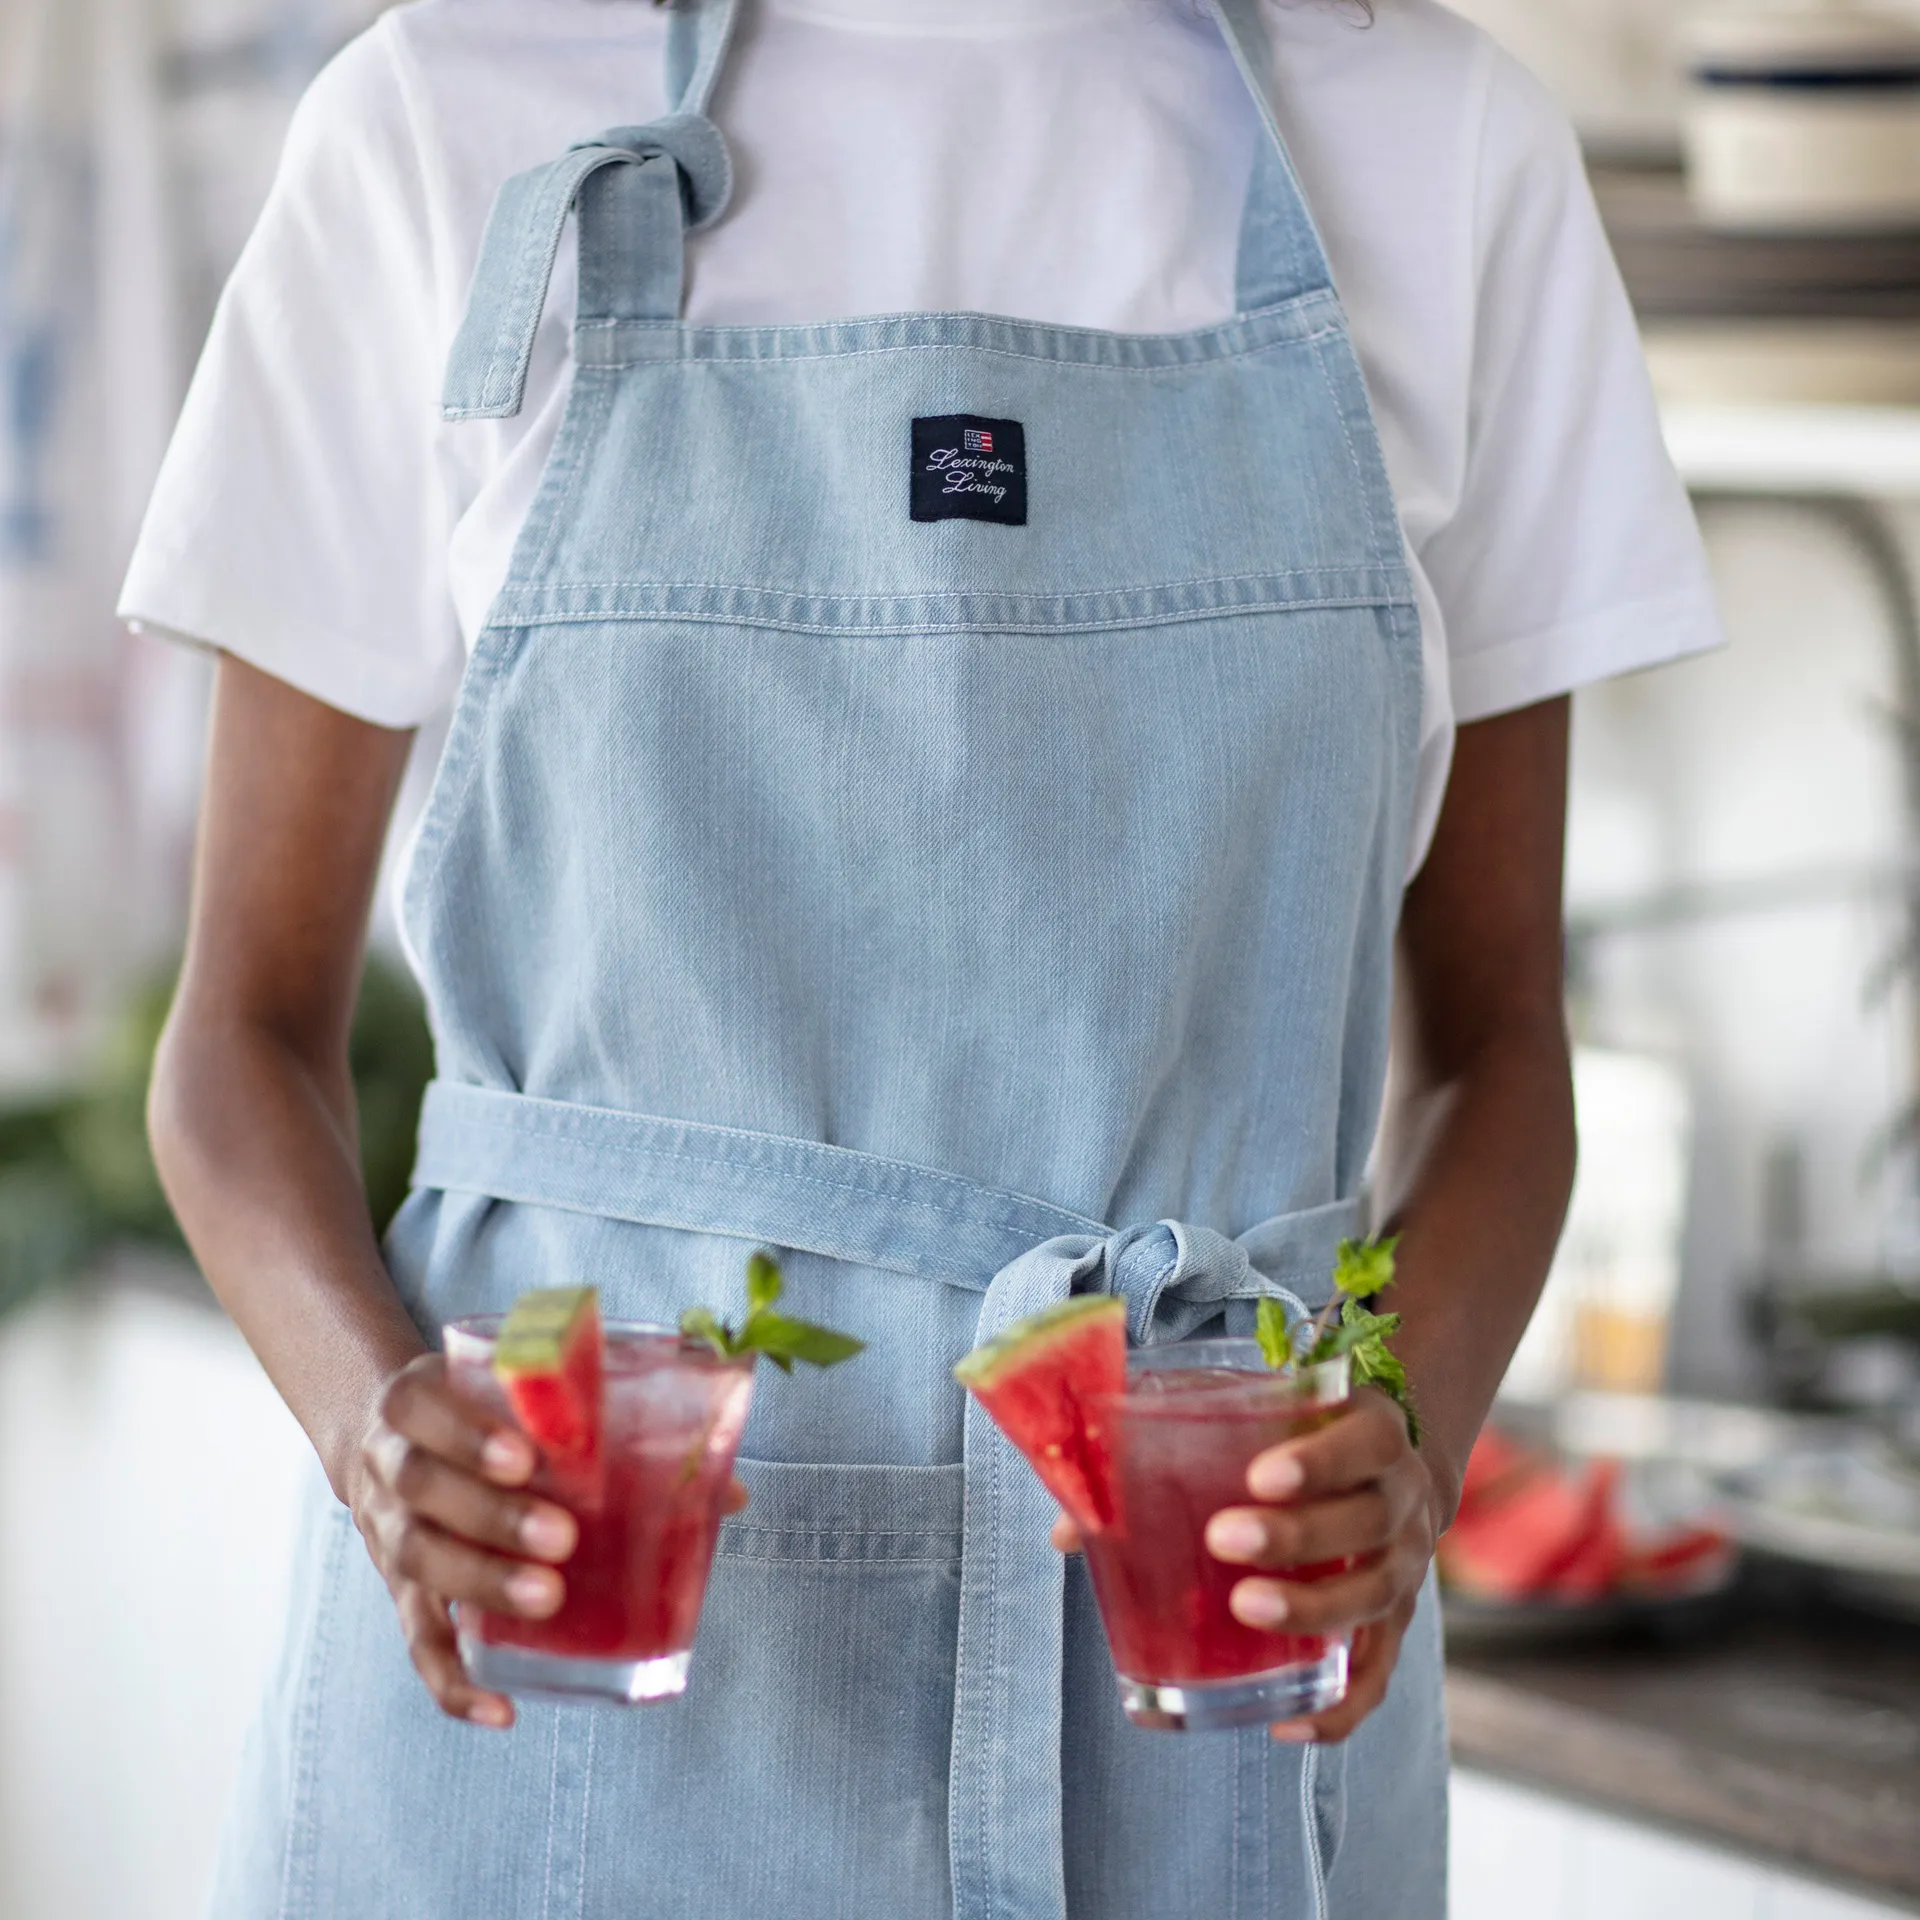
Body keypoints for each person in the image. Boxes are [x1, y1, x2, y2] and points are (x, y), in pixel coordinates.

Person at [124, 0, 1722, 1914]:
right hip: (570, 1722)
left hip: (1215, 1702)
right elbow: (237, 1041)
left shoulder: (1451, 151)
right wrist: (376, 1421)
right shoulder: (437, 114)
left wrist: (1413, 1438)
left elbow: (1499, 1054)